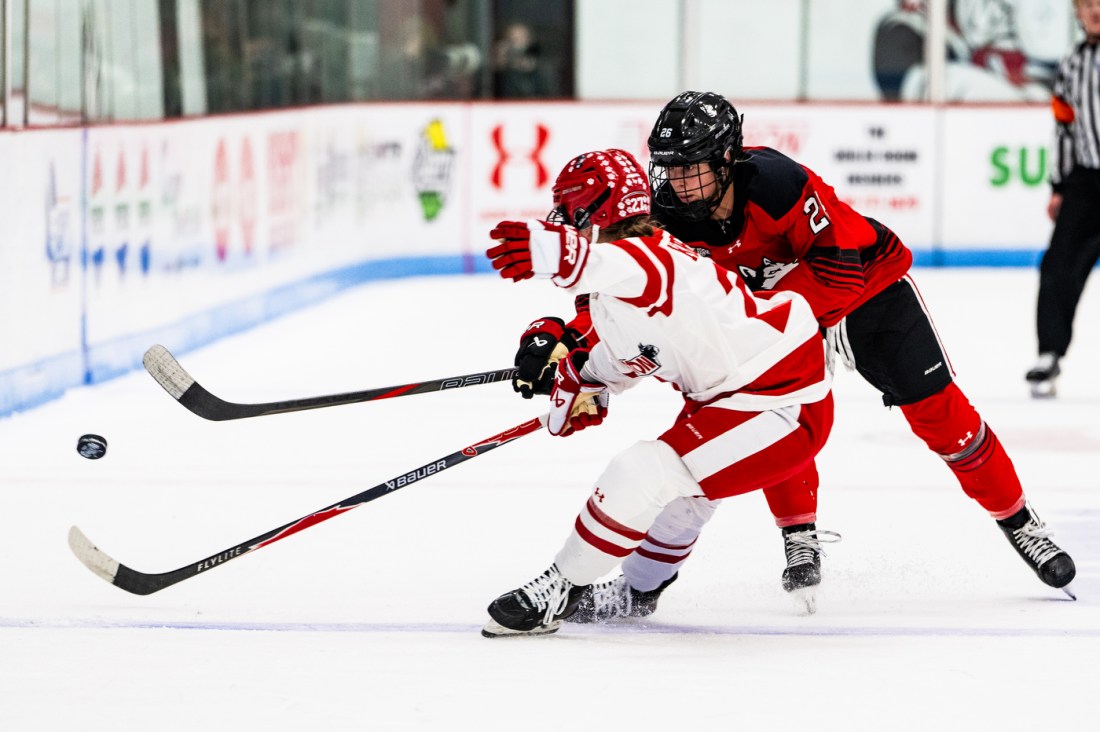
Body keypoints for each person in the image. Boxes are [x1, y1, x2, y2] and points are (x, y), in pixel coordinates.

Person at [514, 92, 1078, 625]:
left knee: (939, 413)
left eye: (693, 167)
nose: (679, 184)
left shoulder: (780, 185)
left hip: (864, 292)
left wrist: (754, 321)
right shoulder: (669, 212)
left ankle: (1021, 521)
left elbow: (840, 273)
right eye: (670, 168)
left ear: (729, 158)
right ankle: (798, 531)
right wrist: (567, 335)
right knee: (762, 402)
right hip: (778, 316)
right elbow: (634, 290)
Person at [481, 149, 836, 637]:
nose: (559, 221)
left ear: (593, 212)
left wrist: (547, 252)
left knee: (646, 470)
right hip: (737, 399)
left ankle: (560, 587)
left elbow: (598, 262)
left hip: (783, 403)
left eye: (567, 212)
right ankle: (639, 591)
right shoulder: (623, 287)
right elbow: (634, 354)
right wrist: (583, 383)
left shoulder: (649, 258)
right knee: (682, 497)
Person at [1027, 0, 1100, 398]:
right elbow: (1064, 128)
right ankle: (1049, 353)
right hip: (1087, 180)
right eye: (1086, 4)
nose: (1095, 10)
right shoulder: (1072, 63)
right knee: (1058, 265)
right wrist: (1059, 185)